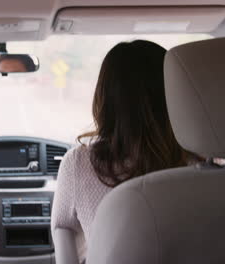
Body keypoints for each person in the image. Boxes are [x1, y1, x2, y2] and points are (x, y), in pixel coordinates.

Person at [51, 40, 199, 263]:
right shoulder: (205, 170)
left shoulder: (78, 163)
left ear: (105, 99)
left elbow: (62, 227)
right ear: (172, 96)